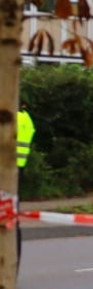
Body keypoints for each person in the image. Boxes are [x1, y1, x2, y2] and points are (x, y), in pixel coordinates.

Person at [16, 99, 32, 262]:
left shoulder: (9, 118)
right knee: (11, 220)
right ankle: (13, 264)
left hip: (6, 172)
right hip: (17, 170)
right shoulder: (25, 118)